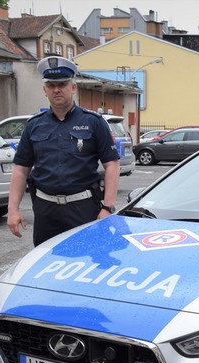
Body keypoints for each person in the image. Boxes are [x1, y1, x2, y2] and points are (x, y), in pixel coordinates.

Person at [7, 56, 120, 246]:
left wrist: (107, 207)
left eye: (62, 84)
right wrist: (13, 209)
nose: (57, 89)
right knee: (46, 261)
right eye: (51, 85)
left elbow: (112, 164)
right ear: (45, 90)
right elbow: (21, 169)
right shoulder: (34, 125)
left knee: (86, 260)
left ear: (73, 87)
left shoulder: (93, 122)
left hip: (83, 208)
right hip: (46, 210)